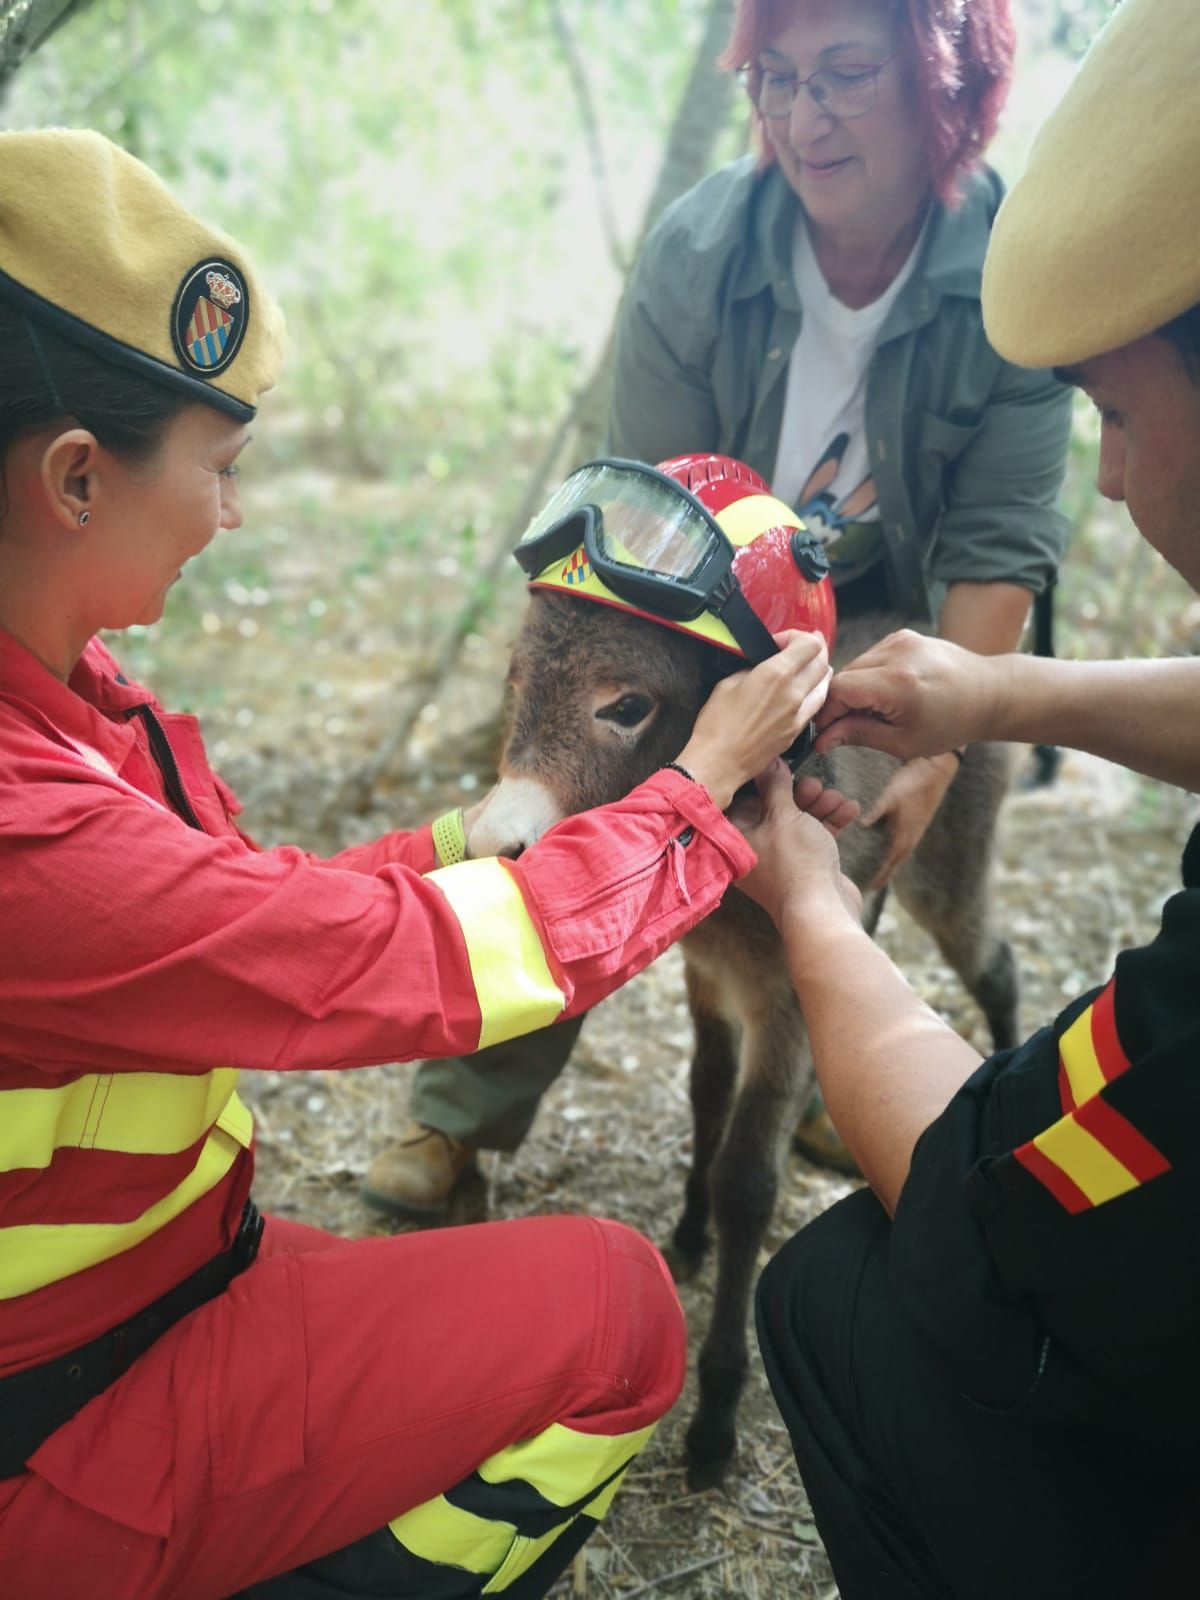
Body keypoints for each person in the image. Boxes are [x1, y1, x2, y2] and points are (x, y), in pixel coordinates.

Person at [0, 130, 834, 1600]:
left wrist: (482, 835)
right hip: (58, 1430)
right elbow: (367, 969)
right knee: (617, 1313)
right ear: (77, 478)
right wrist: (695, 793)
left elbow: (258, 909)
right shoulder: (24, 821)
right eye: (222, 467)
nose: (234, 511)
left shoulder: (73, 702)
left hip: (147, 1290)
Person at [368, 0, 1074, 1212]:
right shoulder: (702, 254)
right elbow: (625, 535)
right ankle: (462, 1120)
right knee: (584, 776)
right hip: (683, 604)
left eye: (848, 74)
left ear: (941, 86)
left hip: (882, 610)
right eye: (777, 79)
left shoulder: (1009, 272)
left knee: (865, 773)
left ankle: (807, 1068)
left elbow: (1000, 545)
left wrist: (946, 744)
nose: (805, 117)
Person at [743, 0, 1200, 1592]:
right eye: (780, 81)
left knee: (838, 1290)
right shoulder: (708, 249)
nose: (1121, 481)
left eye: (1126, 419)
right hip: (833, 648)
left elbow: (983, 1188)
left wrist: (815, 904)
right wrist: (1010, 695)